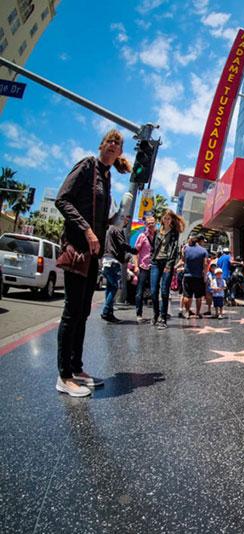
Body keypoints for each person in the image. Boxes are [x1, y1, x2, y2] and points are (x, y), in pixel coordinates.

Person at [54, 129, 131, 397]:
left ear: (120, 152)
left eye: (118, 144)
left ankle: (76, 368)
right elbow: (62, 199)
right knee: (71, 312)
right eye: (110, 140)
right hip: (78, 249)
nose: (113, 145)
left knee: (84, 312)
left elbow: (101, 218)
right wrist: (87, 229)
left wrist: (114, 221)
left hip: (94, 256)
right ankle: (64, 376)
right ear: (101, 145)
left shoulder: (107, 177)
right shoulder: (88, 165)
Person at [151, 210, 184, 330]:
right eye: (165, 218)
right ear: (162, 219)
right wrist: (151, 258)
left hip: (167, 262)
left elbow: (174, 250)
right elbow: (153, 247)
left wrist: (169, 265)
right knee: (154, 291)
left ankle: (163, 318)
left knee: (164, 291)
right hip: (155, 262)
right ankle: (156, 313)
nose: (166, 220)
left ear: (172, 220)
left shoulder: (175, 233)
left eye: (169, 218)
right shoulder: (157, 232)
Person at [100, 213, 136, 323]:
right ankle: (106, 312)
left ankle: (109, 313)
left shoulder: (109, 229)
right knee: (114, 287)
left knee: (110, 287)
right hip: (113, 262)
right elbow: (122, 245)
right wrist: (133, 251)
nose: (127, 223)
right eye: (126, 220)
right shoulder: (117, 229)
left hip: (106, 260)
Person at [134, 216, 156, 323]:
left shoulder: (157, 237)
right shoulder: (142, 236)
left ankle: (156, 315)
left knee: (155, 290)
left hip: (154, 267)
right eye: (149, 223)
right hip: (143, 267)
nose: (151, 224)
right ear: (146, 225)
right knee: (140, 291)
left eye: (153, 222)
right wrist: (136, 266)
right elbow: (135, 252)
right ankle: (139, 314)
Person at [180, 235, 209, 318]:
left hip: (187, 275)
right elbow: (205, 264)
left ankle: (187, 312)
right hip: (199, 276)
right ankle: (198, 313)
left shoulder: (186, 249)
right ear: (199, 241)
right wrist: (205, 275)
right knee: (198, 296)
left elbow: (183, 260)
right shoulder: (203, 251)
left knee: (187, 295)